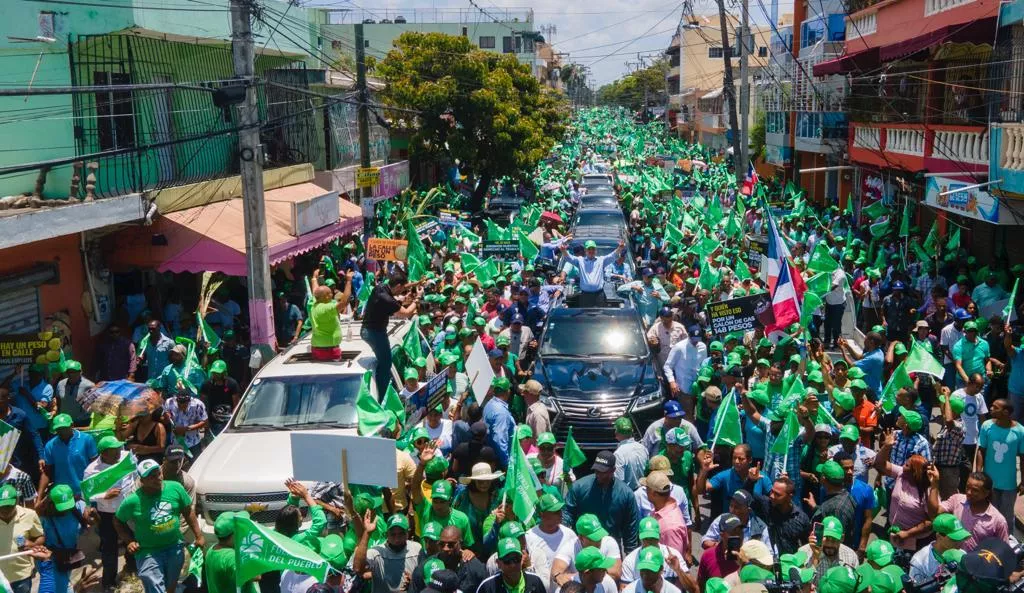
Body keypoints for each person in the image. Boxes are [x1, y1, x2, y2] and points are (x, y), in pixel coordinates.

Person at [114, 458, 205, 593]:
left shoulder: (175, 488)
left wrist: (199, 536)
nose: (157, 478)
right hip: (148, 552)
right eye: (151, 477)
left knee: (171, 584)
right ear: (142, 481)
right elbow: (117, 521)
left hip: (174, 547)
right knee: (154, 585)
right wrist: (129, 541)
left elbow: (188, 511)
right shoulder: (132, 500)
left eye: (158, 473)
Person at [83, 435, 137, 591]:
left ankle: (132, 569)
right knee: (109, 549)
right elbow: (87, 493)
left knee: (132, 541)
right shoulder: (92, 470)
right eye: (114, 451)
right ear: (103, 453)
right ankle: (109, 582)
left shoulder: (127, 457)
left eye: (119, 448)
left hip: (128, 511)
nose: (119, 453)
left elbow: (135, 475)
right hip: (107, 514)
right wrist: (104, 496)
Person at [563, 451, 641, 553]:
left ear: (613, 470)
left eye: (603, 472)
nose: (598, 474)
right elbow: (567, 512)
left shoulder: (626, 494)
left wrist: (630, 554)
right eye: (596, 471)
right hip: (583, 547)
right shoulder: (579, 487)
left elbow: (630, 528)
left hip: (610, 549)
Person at [875, 428, 934, 551]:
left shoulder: (927, 491)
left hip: (915, 541)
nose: (903, 466)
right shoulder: (901, 474)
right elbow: (880, 464)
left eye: (907, 465)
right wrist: (886, 447)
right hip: (895, 534)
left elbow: (931, 522)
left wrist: (908, 534)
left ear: (915, 472)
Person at [362, 270, 419, 397]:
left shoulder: (380, 287)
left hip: (368, 330)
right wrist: (417, 300)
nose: (402, 292)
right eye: (402, 289)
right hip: (375, 333)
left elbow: (401, 287)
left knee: (382, 360)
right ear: (398, 286)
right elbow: (406, 313)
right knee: (386, 363)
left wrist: (416, 283)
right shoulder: (387, 299)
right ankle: (382, 395)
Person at [975, 398, 1024, 530]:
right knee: (989, 513)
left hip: (1009, 483)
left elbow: (1023, 457)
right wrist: (979, 473)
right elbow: (981, 450)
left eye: (995, 407)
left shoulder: (1020, 431)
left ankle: (1007, 543)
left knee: (1007, 516)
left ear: (1006, 412)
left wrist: (1023, 481)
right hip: (989, 481)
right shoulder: (987, 426)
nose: (991, 408)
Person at [931, 470, 1008, 551]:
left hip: (976, 563)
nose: (968, 492)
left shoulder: (998, 521)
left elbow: (1004, 551)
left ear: (986, 493)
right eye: (967, 487)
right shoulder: (956, 500)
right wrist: (934, 485)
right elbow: (934, 513)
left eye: (975, 490)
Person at [38, 484, 90, 593]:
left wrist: (92, 518)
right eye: (61, 507)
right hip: (51, 558)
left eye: (68, 506)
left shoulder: (78, 506)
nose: (65, 510)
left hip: (68, 556)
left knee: (65, 583)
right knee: (60, 588)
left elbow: (90, 521)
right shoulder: (42, 517)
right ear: (51, 503)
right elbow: (36, 541)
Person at [353, 512, 422, 593]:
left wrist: (415, 583)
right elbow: (357, 568)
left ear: (408, 533)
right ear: (387, 535)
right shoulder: (377, 553)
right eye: (393, 534)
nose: (397, 539)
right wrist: (367, 533)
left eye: (401, 534)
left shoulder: (416, 549)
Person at [694, 444, 772, 515]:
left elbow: (774, 500)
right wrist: (704, 471)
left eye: (741, 459)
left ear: (750, 460)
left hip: (753, 527)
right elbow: (700, 490)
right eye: (734, 458)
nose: (736, 461)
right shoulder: (724, 476)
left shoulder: (761, 477)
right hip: (730, 526)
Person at [410, 525, 487, 593]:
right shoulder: (426, 566)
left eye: (451, 544)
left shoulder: (474, 568)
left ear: (461, 543)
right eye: (441, 544)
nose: (445, 548)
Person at [39, 413, 98, 498]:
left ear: (72, 425)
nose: (62, 432)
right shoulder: (50, 445)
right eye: (59, 429)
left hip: (84, 493)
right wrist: (39, 498)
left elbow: (96, 466)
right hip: (62, 495)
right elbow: (46, 473)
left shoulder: (87, 439)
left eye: (64, 428)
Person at [0, 484, 44, 593]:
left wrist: (32, 544)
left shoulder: (30, 515)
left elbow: (40, 537)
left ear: (16, 501)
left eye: (8, 506)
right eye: (1, 506)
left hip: (22, 575)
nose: (5, 510)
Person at [751, 476, 810, 555]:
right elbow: (747, 495)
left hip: (791, 562)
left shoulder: (801, 519)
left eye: (777, 495)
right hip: (770, 561)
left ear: (789, 497)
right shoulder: (767, 505)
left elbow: (807, 546)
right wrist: (751, 481)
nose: (772, 496)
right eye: (772, 491)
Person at [795, 516, 858, 587]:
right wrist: (815, 557)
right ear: (820, 535)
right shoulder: (803, 552)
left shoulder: (851, 556)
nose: (830, 544)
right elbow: (802, 586)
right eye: (827, 539)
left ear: (842, 538)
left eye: (834, 540)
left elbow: (855, 585)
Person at [560, 239, 625, 307]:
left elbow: (613, 256)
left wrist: (620, 247)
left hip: (599, 295)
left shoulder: (601, 260)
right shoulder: (580, 260)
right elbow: (568, 258)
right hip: (585, 295)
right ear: (585, 250)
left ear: (595, 250)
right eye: (589, 249)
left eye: (593, 249)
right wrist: (563, 250)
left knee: (600, 316)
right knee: (585, 316)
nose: (591, 251)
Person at [206, 511, 259, 593]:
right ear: (234, 534)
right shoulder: (231, 558)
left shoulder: (211, 549)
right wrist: (253, 547)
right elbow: (256, 576)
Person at [908, 513, 970, 582]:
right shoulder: (919, 561)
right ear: (939, 536)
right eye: (954, 539)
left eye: (961, 538)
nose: (959, 542)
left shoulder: (962, 554)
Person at [308, 268, 354, 361]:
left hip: (316, 349)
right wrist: (348, 281)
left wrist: (314, 278)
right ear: (326, 296)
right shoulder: (327, 308)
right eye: (330, 293)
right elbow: (344, 302)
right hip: (329, 351)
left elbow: (316, 291)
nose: (332, 294)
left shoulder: (313, 304)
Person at [476, 538, 547, 593]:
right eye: (507, 560)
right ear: (498, 563)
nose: (513, 565)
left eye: (516, 559)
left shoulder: (536, 582)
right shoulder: (487, 587)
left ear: (522, 559)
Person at [696, 514, 742, 590]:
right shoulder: (708, 555)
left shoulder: (747, 556)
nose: (738, 536)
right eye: (733, 533)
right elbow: (700, 585)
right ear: (722, 535)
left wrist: (742, 564)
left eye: (740, 532)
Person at [163, 390, 208, 461]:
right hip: (176, 441)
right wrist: (166, 416)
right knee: (176, 466)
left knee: (195, 464)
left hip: (193, 442)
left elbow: (205, 422)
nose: (181, 406)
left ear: (189, 401)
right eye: (179, 404)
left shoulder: (198, 404)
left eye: (184, 405)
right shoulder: (169, 402)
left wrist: (186, 429)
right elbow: (165, 419)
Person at [199, 360, 240, 435]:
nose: (215, 375)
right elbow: (202, 404)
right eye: (214, 372)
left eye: (218, 373)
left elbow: (236, 404)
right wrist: (205, 420)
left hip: (228, 421)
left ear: (224, 372)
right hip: (212, 422)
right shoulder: (206, 385)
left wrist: (233, 420)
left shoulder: (232, 384)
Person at [482, 377, 516, 467]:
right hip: (499, 460)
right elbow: (499, 438)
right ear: (507, 391)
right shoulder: (501, 412)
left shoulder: (489, 403)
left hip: (492, 455)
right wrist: (506, 463)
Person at [613, 418, 649, 490]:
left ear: (616, 433)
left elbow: (618, 481)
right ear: (632, 431)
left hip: (628, 495)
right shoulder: (643, 448)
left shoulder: (618, 454)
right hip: (645, 492)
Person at [55, 360, 93, 428]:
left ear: (80, 372)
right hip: (65, 422)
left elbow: (93, 405)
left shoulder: (89, 385)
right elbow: (58, 401)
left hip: (82, 422)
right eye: (69, 372)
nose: (71, 374)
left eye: (74, 372)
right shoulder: (61, 384)